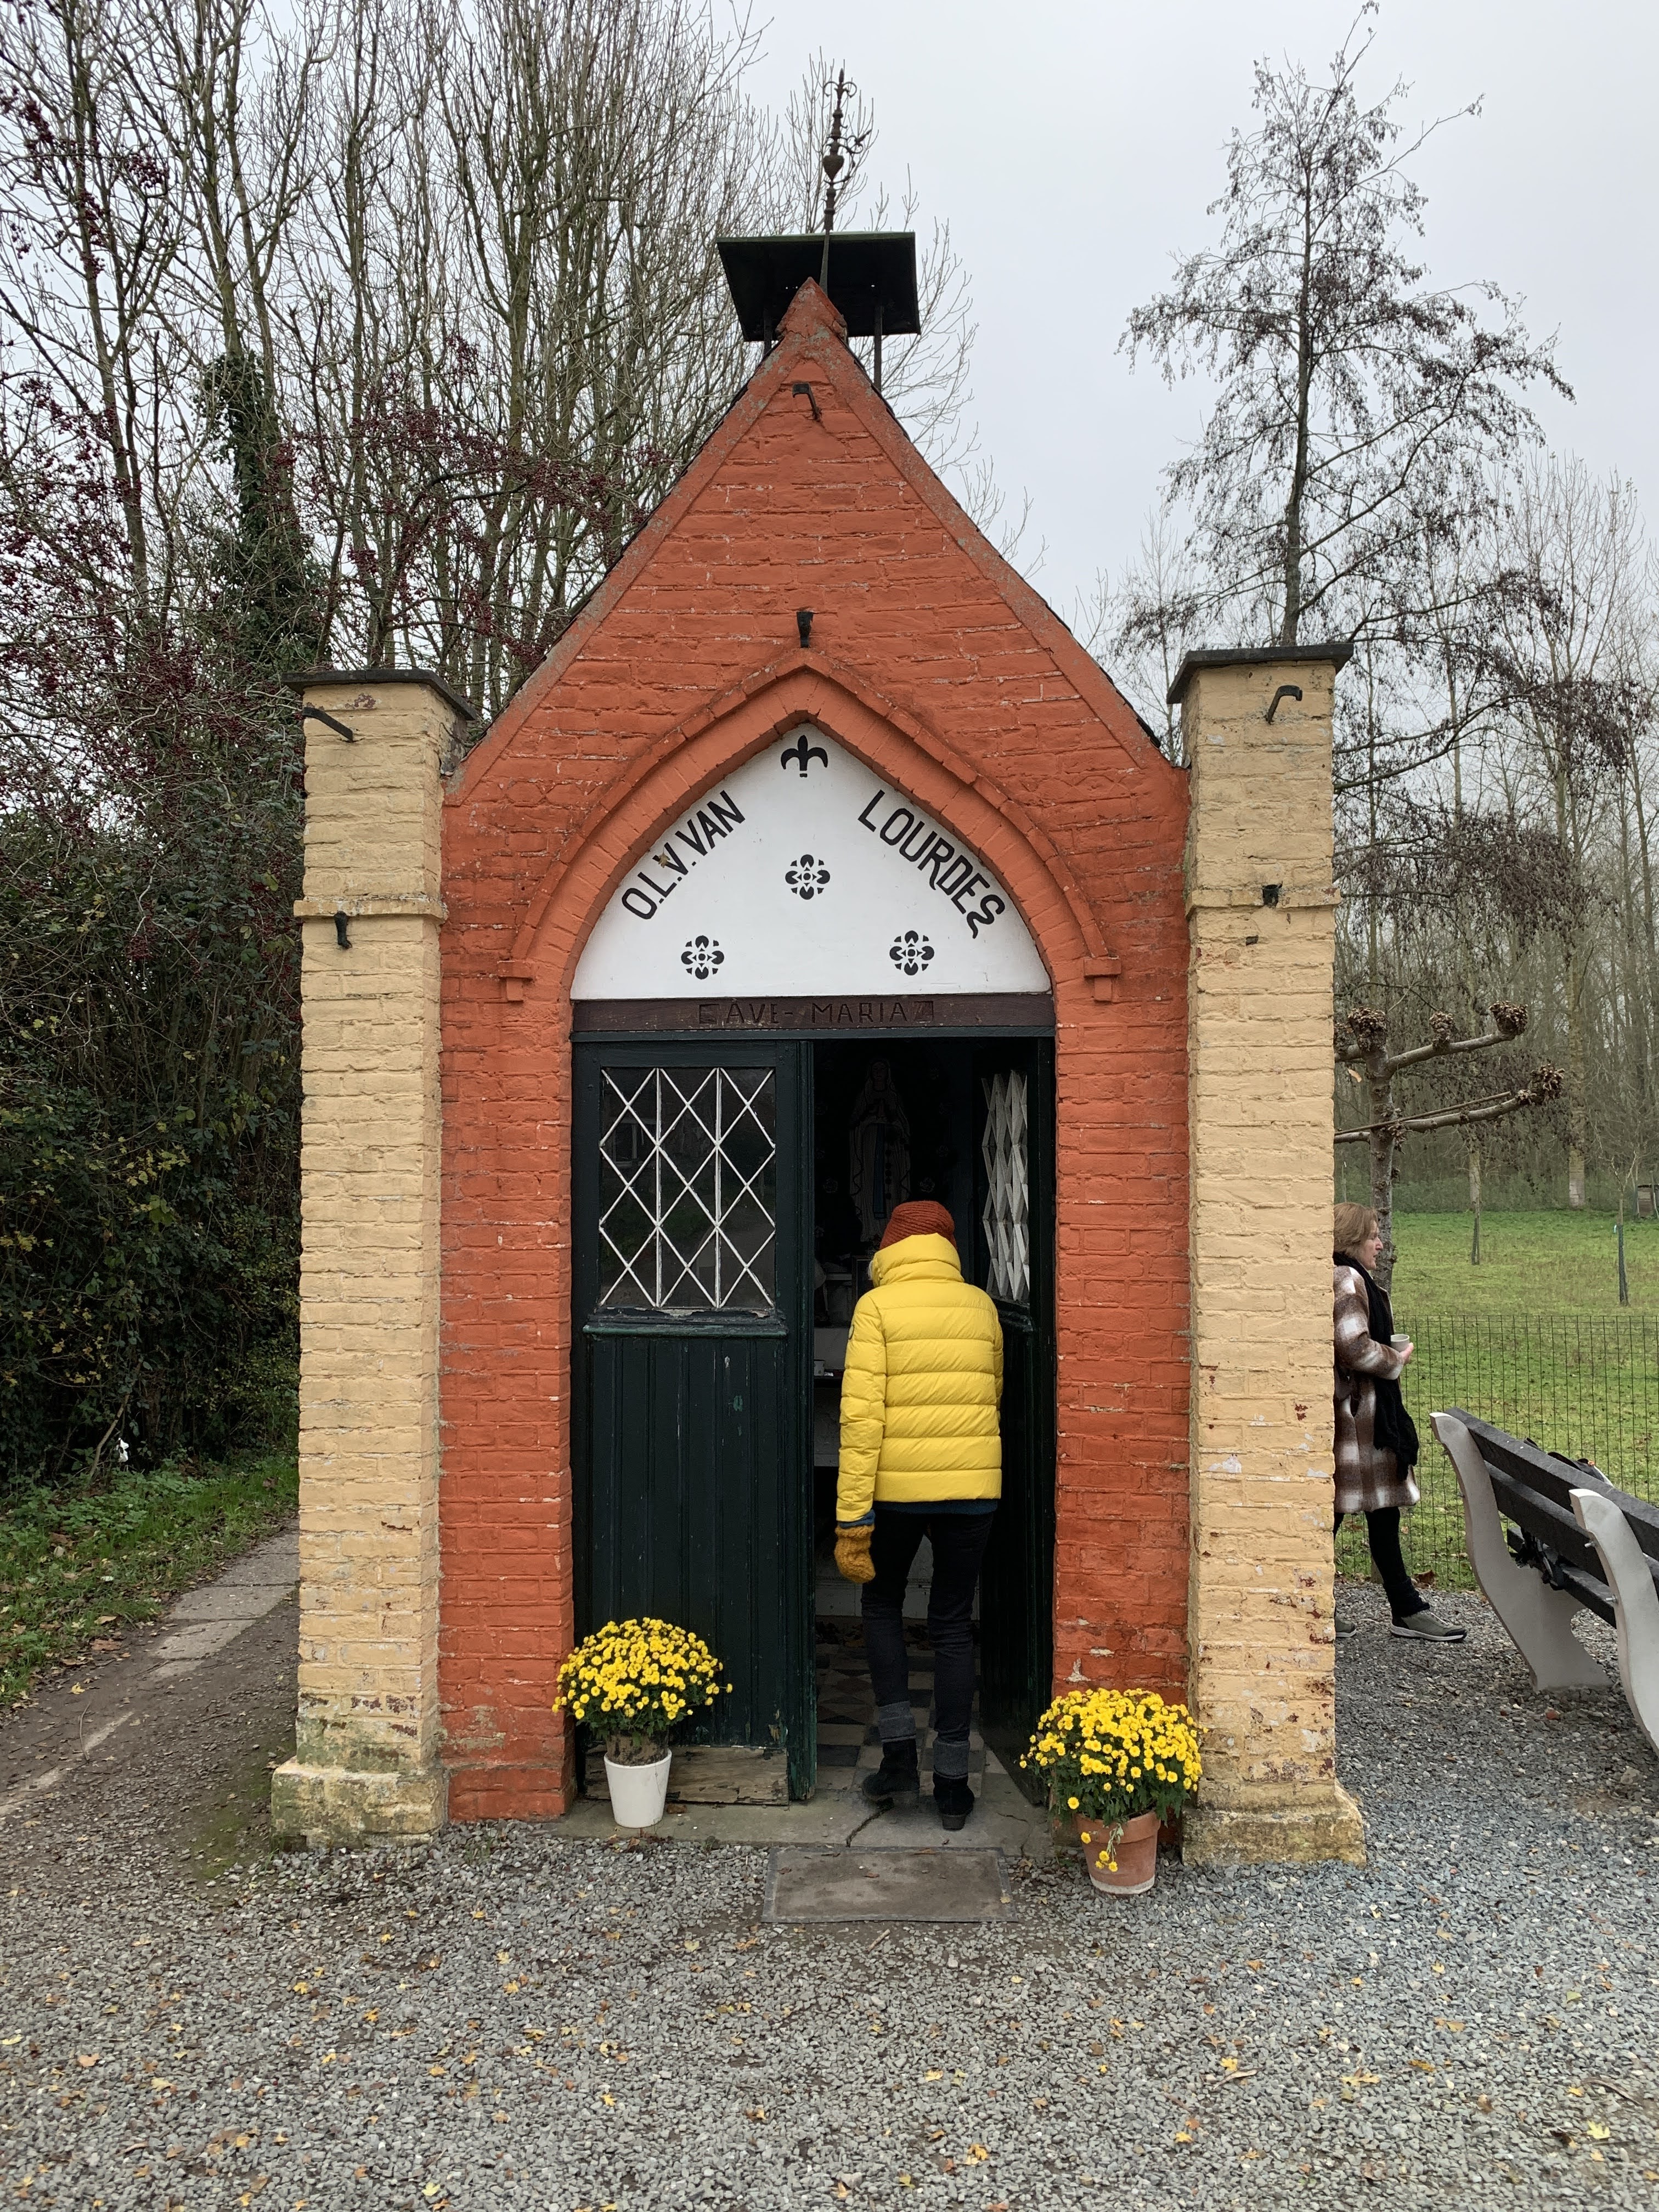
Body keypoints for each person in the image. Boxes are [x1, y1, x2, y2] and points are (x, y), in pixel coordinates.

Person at [833, 1199, 1003, 1830]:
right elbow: (993, 1394)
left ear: (891, 1248)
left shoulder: (876, 1308)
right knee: (952, 1626)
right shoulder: (981, 1306)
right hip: (973, 1489)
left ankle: (899, 1759)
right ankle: (953, 1787)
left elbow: (861, 1420)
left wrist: (852, 1518)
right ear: (948, 1247)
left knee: (882, 1605)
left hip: (896, 1490)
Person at [1333, 1202, 1464, 1643]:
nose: (1379, 1243)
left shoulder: (1349, 1276)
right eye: (1372, 1235)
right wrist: (1396, 1359)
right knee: (1337, 1510)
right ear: (1353, 1239)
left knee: (1379, 1509)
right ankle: (1328, 1606)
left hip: (1370, 1416)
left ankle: (1404, 1608)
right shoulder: (1347, 1278)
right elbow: (1353, 1347)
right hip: (1361, 1417)